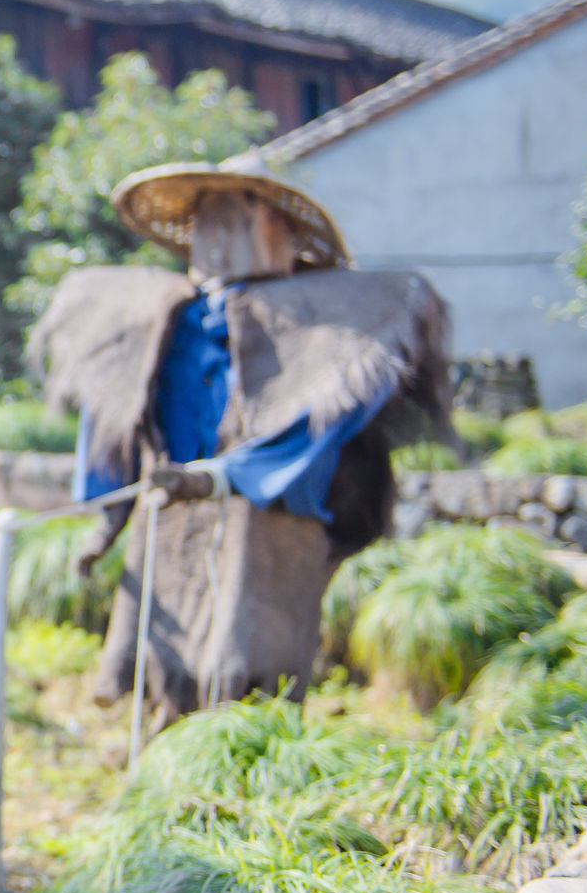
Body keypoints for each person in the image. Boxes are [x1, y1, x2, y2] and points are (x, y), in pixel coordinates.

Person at [30, 153, 453, 714]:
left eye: (238, 216)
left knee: (249, 674)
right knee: (165, 662)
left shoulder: (326, 327)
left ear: (277, 229)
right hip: (166, 514)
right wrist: (106, 516)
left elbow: (319, 426)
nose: (220, 233)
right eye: (209, 218)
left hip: (269, 521)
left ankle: (247, 777)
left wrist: (223, 477)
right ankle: (164, 777)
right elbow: (116, 415)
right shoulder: (162, 315)